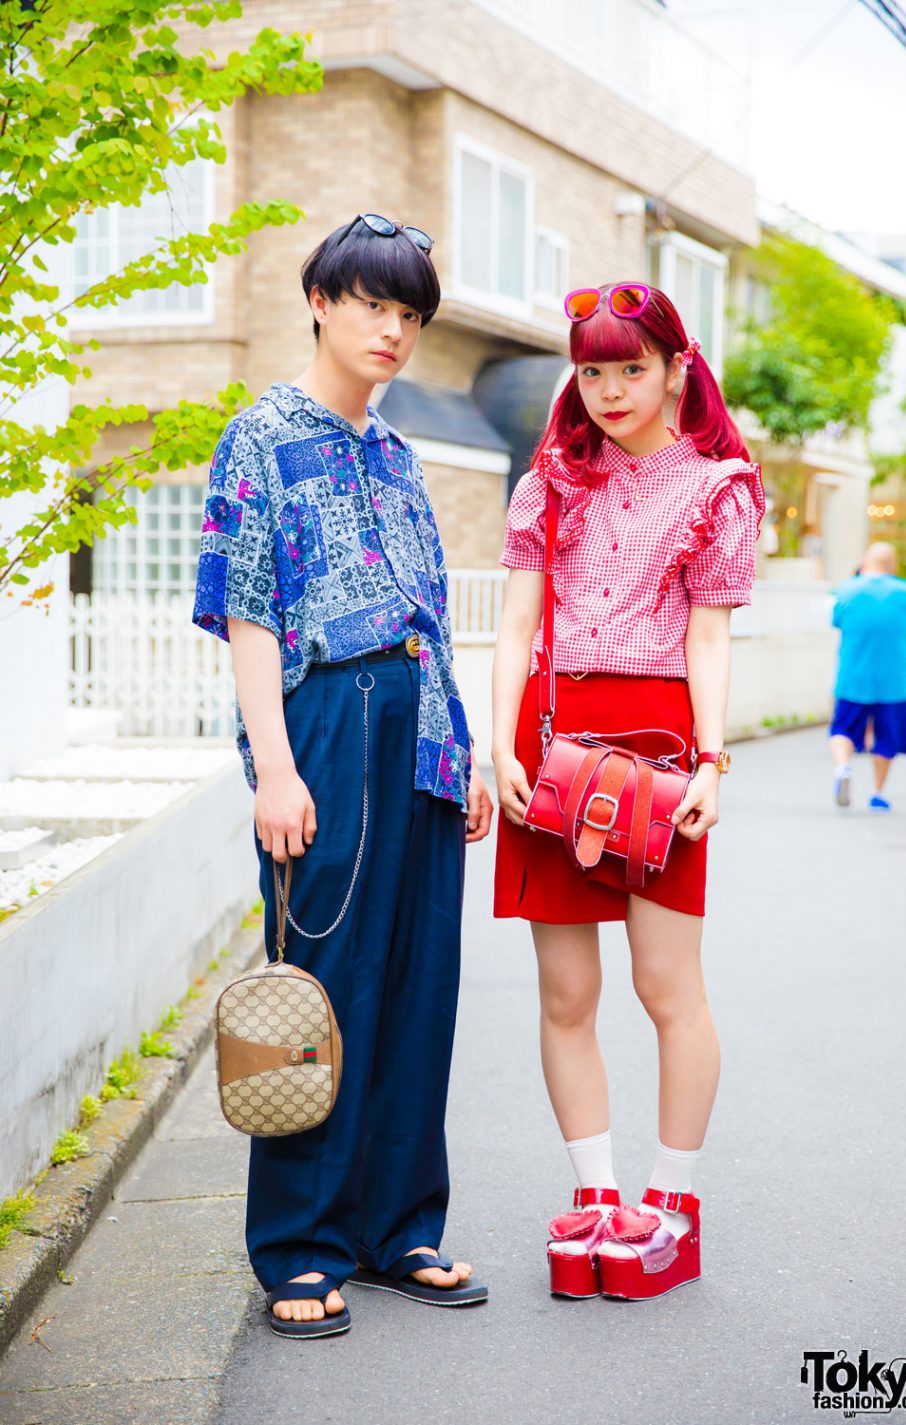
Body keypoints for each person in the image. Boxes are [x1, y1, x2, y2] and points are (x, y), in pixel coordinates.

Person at [193, 214, 493, 1338]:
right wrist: (273, 767)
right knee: (316, 988)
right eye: (374, 303)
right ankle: (301, 1246)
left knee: (418, 986)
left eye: (410, 313)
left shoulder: (399, 453)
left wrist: (457, 744)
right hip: (324, 721)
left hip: (416, 730)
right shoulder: (261, 436)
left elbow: (432, 615)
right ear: (320, 299)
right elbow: (249, 613)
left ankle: (397, 1227)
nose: (393, 329)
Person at [491, 283, 764, 1301]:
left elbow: (706, 635)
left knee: (665, 987)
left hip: (657, 744)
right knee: (566, 994)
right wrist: (498, 748)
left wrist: (709, 760)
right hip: (550, 739)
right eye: (592, 369)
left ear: (674, 371)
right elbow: (515, 626)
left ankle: (670, 1206)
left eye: (629, 368)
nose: (608, 390)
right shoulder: (549, 482)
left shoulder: (716, 487)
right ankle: (597, 1195)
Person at [829, 541, 906, 813]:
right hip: (894, 681)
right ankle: (877, 793)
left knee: (842, 729)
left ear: (865, 563)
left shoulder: (847, 589)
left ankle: (843, 767)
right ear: (892, 567)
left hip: (853, 677)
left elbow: (836, 621)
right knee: (887, 739)